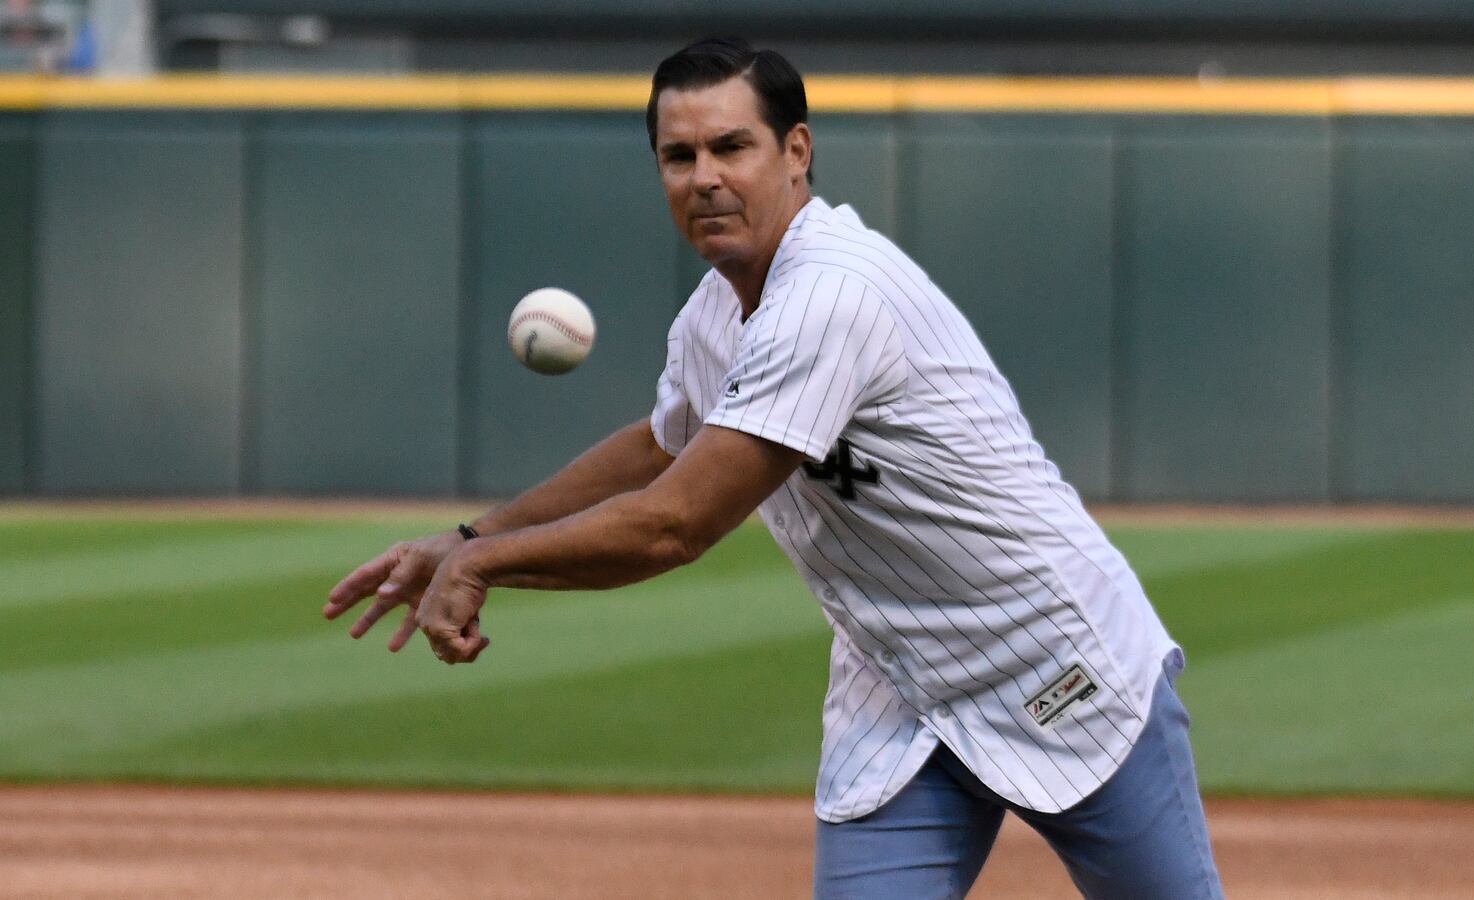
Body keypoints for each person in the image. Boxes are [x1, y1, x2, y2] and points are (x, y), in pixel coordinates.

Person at [325, 36, 1223, 899]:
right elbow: (661, 446)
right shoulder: (719, 310)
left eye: (730, 146)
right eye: (678, 156)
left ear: (796, 151)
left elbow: (675, 523)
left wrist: (483, 565)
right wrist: (471, 534)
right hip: (900, 687)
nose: (704, 176)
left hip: (1051, 659)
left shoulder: (830, 294)